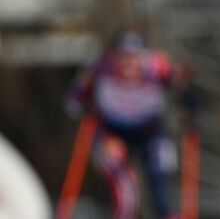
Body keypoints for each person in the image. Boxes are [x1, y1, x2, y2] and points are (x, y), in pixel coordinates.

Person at [65, 30, 197, 219]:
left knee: (160, 176)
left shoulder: (157, 66)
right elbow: (73, 101)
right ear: (113, 56)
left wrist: (190, 111)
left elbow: (185, 94)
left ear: (144, 55)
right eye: (122, 56)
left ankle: (166, 214)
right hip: (112, 133)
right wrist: (85, 104)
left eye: (134, 56)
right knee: (126, 191)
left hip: (150, 132)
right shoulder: (99, 67)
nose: (128, 63)